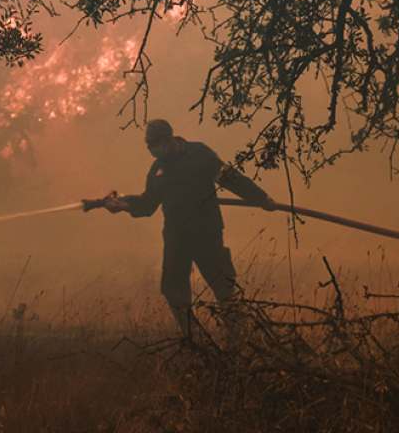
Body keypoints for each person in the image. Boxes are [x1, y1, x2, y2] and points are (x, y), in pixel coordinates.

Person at [85, 119, 275, 333]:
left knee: (224, 286)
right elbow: (148, 203)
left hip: (207, 233)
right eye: (149, 145)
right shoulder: (158, 169)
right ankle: (194, 338)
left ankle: (239, 335)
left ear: (169, 139)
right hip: (176, 236)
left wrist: (260, 197)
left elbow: (230, 178)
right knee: (173, 291)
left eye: (156, 143)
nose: (153, 149)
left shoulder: (199, 154)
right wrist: (123, 204)